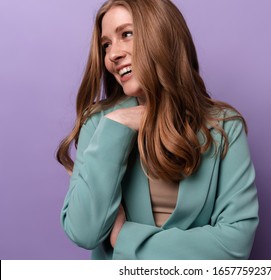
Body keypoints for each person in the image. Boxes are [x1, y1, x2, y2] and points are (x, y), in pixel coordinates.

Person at [56, 0, 259, 260]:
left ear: (161, 35)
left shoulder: (224, 126)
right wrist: (116, 129)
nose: (112, 55)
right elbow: (84, 232)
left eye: (126, 34)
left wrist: (124, 239)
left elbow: (235, 245)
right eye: (106, 44)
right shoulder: (100, 123)